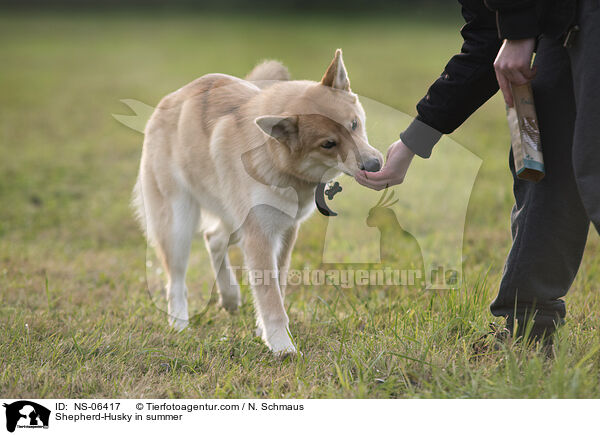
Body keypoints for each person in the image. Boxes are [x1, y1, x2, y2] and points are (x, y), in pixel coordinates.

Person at [355, 0, 599, 341]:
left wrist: (517, 31)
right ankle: (528, 326)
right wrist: (413, 141)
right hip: (561, 15)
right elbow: (487, 38)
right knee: (544, 159)